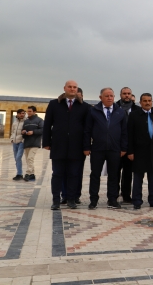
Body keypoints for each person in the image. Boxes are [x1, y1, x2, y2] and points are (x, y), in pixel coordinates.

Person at [43, 80, 90, 210]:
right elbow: (47, 124)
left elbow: (87, 129)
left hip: (77, 147)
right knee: (57, 174)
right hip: (58, 146)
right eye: (70, 87)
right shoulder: (54, 104)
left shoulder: (84, 107)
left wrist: (87, 147)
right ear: (64, 88)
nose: (72, 89)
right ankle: (56, 201)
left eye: (75, 87)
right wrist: (46, 142)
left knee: (74, 174)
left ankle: (71, 199)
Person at [84, 88, 128, 210]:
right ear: (101, 97)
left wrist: (124, 147)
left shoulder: (120, 112)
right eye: (107, 96)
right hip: (98, 148)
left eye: (111, 96)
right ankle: (93, 200)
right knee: (95, 174)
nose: (109, 98)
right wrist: (86, 146)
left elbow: (124, 131)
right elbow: (87, 130)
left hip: (115, 149)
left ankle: (112, 199)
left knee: (114, 175)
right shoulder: (93, 111)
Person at [127, 93, 153, 209]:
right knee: (138, 178)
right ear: (140, 102)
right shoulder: (134, 115)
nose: (147, 103)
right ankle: (137, 201)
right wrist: (130, 151)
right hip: (139, 152)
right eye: (145, 101)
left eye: (149, 100)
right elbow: (130, 135)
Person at [115, 87, 141, 204]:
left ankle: (126, 195)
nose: (126, 95)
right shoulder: (114, 107)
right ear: (120, 95)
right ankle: (114, 194)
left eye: (128, 94)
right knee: (115, 172)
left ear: (131, 95)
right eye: (124, 94)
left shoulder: (137, 110)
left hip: (131, 147)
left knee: (128, 173)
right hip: (116, 146)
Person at [21, 106, 44, 182]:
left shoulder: (39, 120)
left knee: (30, 158)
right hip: (27, 143)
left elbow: (43, 130)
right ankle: (32, 175)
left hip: (35, 143)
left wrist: (33, 132)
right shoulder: (26, 121)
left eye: (30, 111)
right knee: (28, 160)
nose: (28, 113)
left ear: (34, 112)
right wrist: (23, 132)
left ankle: (27, 174)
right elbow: (23, 131)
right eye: (28, 111)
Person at [10, 109, 26, 181]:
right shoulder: (15, 122)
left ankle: (20, 173)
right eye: (20, 113)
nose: (22, 114)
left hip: (21, 142)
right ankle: (19, 174)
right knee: (16, 158)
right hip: (15, 142)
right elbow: (12, 131)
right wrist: (12, 139)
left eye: (23, 113)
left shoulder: (26, 122)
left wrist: (23, 140)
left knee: (18, 157)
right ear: (17, 114)